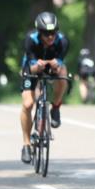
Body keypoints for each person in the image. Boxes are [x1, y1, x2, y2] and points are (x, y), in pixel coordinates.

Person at [19, 12, 70, 164]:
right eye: (46, 34)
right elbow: (31, 67)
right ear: (39, 32)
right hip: (32, 67)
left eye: (53, 33)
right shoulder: (31, 40)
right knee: (28, 104)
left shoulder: (63, 41)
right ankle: (26, 145)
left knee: (63, 74)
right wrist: (38, 66)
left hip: (52, 67)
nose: (50, 37)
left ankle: (56, 106)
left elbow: (59, 64)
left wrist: (56, 65)